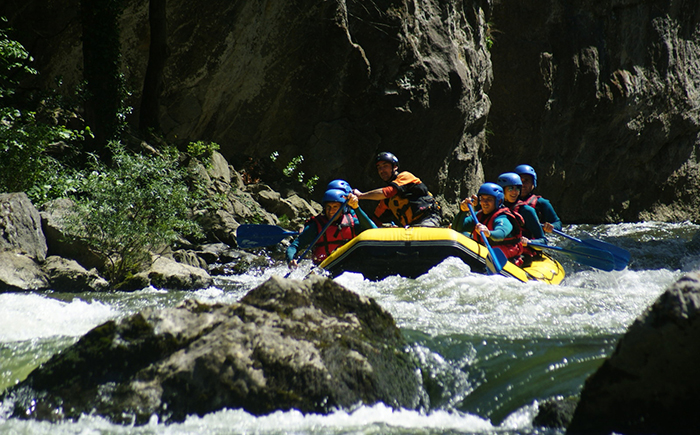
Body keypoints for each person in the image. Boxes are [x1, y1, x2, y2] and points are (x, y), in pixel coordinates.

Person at [286, 187, 376, 267]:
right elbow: (293, 247)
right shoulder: (315, 227)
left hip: (350, 267)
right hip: (325, 268)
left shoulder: (351, 222)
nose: (331, 211)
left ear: (342, 208)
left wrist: (356, 208)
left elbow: (373, 231)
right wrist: (291, 260)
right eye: (328, 207)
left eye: (335, 207)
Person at [353, 152, 441, 227]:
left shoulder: (405, 176)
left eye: (385, 166)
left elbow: (388, 192)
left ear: (394, 167)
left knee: (420, 237)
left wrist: (361, 195)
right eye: (379, 168)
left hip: (428, 217)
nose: (382, 170)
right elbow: (374, 220)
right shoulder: (386, 201)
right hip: (411, 227)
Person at [452, 182, 524, 263]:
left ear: (499, 201)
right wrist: (463, 211)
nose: (485, 202)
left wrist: (488, 233)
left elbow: (501, 233)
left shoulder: (503, 218)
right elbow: (457, 229)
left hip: (505, 260)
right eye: (483, 199)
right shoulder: (478, 215)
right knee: (464, 235)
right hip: (483, 254)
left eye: (489, 199)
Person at [497, 172, 547, 261]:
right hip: (501, 248)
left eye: (517, 188)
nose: (514, 192)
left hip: (522, 253)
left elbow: (543, 241)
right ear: (502, 190)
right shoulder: (495, 207)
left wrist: (529, 242)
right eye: (510, 188)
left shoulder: (526, 211)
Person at [514, 164, 562, 233]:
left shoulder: (542, 203)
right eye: (520, 180)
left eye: (526, 180)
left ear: (533, 183)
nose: (523, 184)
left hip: (533, 241)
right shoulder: (506, 201)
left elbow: (558, 223)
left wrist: (552, 226)